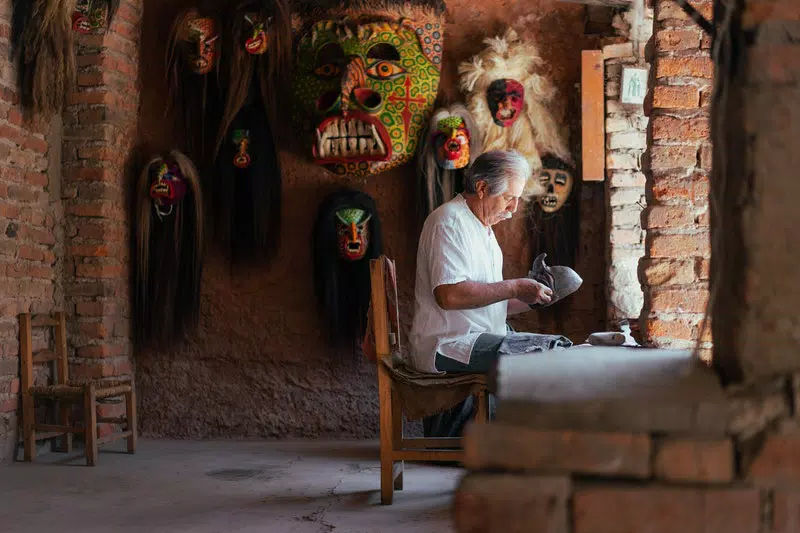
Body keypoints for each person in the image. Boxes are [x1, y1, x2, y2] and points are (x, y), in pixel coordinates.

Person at [408, 149, 571, 376]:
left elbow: (493, 302)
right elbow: (448, 295)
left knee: (562, 350)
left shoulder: (483, 229)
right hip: (448, 344)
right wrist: (515, 286)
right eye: (508, 198)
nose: (514, 208)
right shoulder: (450, 222)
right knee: (553, 355)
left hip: (482, 336)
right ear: (482, 188)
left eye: (517, 199)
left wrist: (535, 297)